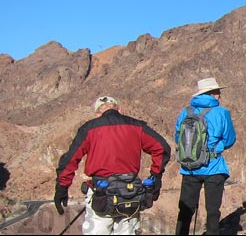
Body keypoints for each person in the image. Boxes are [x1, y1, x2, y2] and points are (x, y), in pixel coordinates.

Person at [54, 96, 171, 235]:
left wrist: (62, 188)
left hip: (101, 192)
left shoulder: (90, 129)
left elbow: (70, 160)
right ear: (119, 110)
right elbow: (162, 148)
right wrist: (155, 178)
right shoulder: (136, 126)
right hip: (130, 193)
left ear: (97, 114)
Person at [174, 78, 237, 235]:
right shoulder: (222, 112)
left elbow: (178, 137)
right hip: (214, 166)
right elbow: (229, 139)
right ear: (211, 93)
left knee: (186, 209)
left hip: (189, 167)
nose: (220, 95)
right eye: (218, 92)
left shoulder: (185, 112)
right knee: (213, 211)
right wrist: (214, 148)